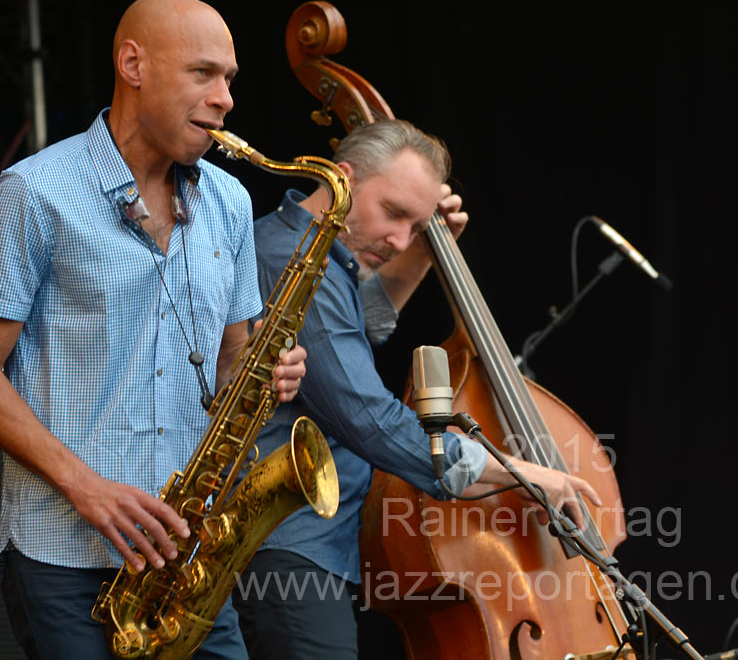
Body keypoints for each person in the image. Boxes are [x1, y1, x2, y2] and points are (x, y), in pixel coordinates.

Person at [0, 0, 308, 660]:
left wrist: (267, 372)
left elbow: (230, 368)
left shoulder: (232, 202)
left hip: (184, 560)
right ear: (133, 64)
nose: (225, 99)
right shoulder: (34, 194)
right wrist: (86, 487)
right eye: (203, 74)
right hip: (62, 556)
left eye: (229, 80)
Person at [233, 119, 601, 659]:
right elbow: (372, 421)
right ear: (342, 178)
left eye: (418, 224)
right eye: (396, 214)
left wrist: (432, 249)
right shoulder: (291, 257)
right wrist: (519, 473)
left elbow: (359, 327)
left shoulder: (315, 256)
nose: (403, 239)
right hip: (288, 548)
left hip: (308, 549)